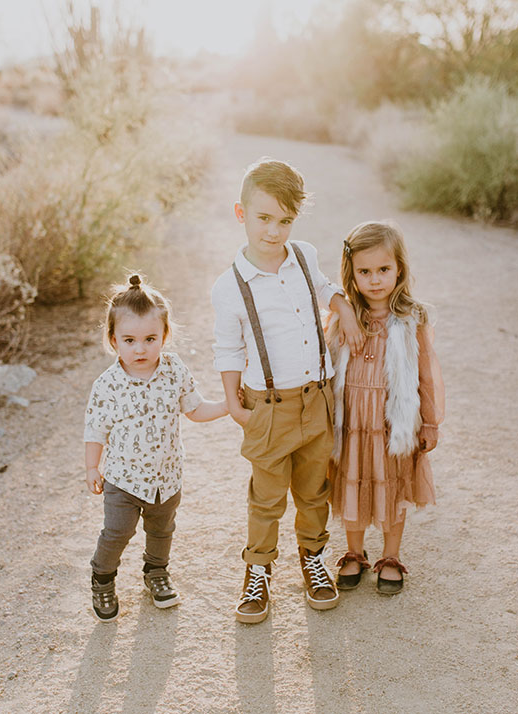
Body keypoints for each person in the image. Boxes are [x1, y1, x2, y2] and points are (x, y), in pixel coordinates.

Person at [211, 157, 364, 624]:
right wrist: (236, 404)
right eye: (263, 218)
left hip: (315, 399)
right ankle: (257, 570)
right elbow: (227, 347)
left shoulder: (303, 256)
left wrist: (343, 304)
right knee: (267, 494)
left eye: (284, 221)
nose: (274, 231)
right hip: (268, 407)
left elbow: (322, 286)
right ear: (241, 214)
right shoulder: (229, 286)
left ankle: (313, 559)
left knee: (313, 489)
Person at [84, 274, 228, 622]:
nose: (140, 349)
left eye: (150, 339)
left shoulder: (173, 370)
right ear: (113, 340)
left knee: (162, 530)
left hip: (167, 476)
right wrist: (92, 467)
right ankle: (103, 578)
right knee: (118, 531)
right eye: (129, 340)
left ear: (164, 336)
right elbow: (95, 430)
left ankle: (156, 572)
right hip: (124, 481)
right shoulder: (108, 386)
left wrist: (228, 406)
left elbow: (194, 408)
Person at [327, 220, 444, 595]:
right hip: (354, 421)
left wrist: (430, 422)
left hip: (394, 422)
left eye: (383, 270)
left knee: (392, 485)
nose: (375, 280)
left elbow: (427, 374)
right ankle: (354, 551)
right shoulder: (344, 317)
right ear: (352, 273)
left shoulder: (413, 318)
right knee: (352, 481)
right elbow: (326, 366)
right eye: (364, 271)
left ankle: (391, 556)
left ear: (399, 269)